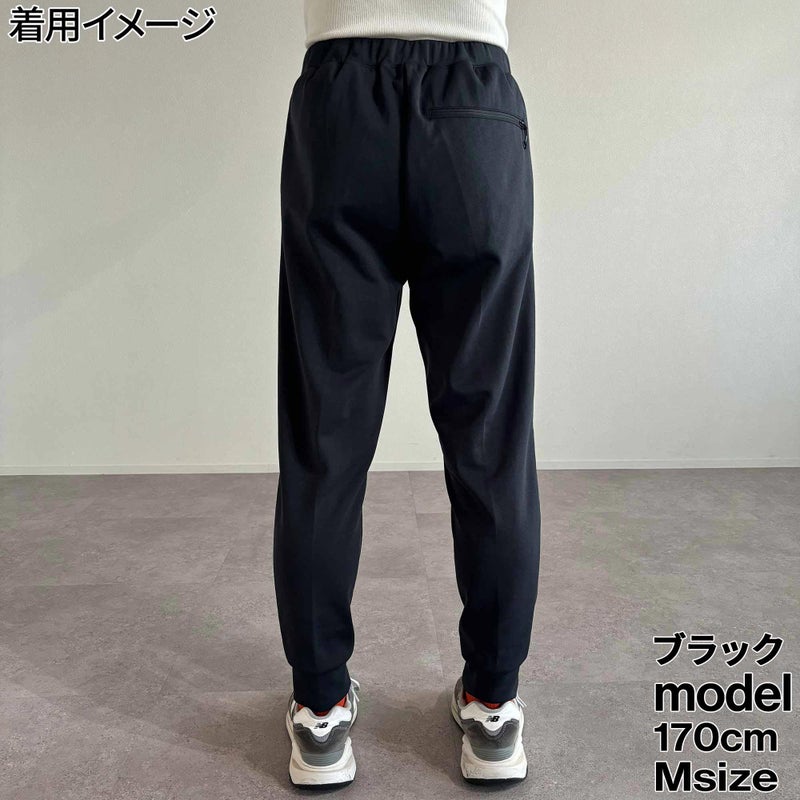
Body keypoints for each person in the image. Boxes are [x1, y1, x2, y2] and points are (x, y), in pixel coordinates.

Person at [273, 0, 541, 787]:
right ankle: (492, 706)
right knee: (490, 435)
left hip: (338, 104)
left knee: (324, 437)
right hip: (474, 105)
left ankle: (321, 711)